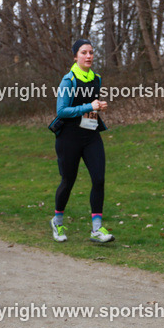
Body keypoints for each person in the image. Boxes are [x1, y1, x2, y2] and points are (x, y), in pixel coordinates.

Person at [49, 38, 113, 243]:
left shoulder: (97, 79)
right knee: (68, 181)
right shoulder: (69, 80)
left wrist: (98, 107)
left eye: (91, 53)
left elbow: (92, 105)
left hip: (91, 135)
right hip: (69, 137)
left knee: (99, 179)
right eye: (84, 52)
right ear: (75, 56)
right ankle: (57, 222)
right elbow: (62, 111)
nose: (89, 56)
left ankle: (96, 229)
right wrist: (90, 106)